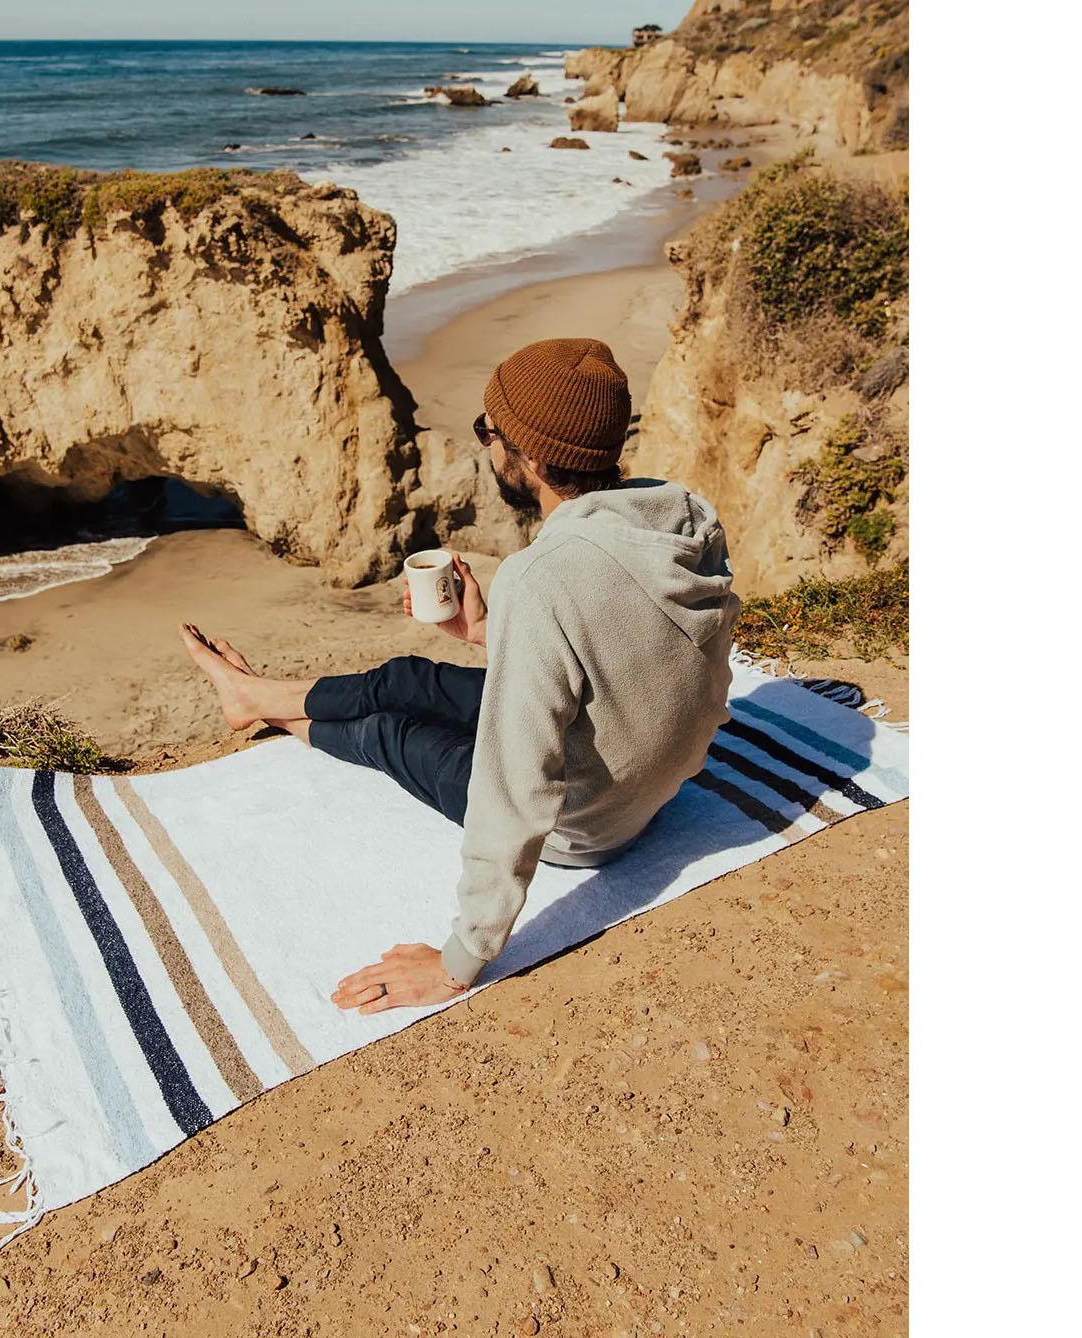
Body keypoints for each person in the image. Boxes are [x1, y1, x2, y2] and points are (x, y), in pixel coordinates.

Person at [179, 337, 740, 1015]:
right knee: (409, 676)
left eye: (490, 431)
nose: (487, 445)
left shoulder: (544, 578)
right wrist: (481, 632)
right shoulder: (682, 516)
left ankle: (266, 711)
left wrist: (459, 963)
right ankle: (257, 696)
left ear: (528, 456)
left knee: (390, 730)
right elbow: (629, 642)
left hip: (587, 824)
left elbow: (517, 789)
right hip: (644, 772)